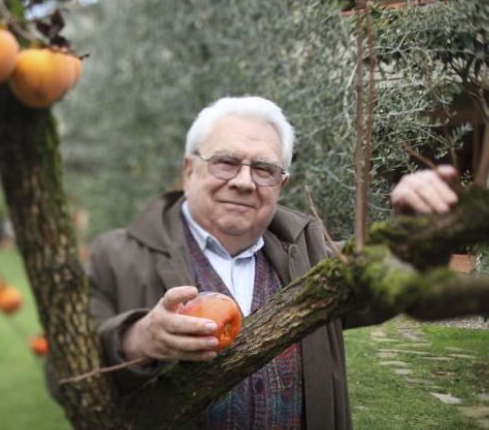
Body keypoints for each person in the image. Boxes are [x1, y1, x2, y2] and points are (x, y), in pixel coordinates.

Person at [57, 96, 459, 429]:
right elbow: (65, 375)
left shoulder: (312, 253)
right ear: (188, 169)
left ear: (280, 184)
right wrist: (138, 339)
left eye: (263, 169)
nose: (244, 181)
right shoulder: (120, 256)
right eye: (226, 162)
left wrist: (418, 232)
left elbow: (389, 288)